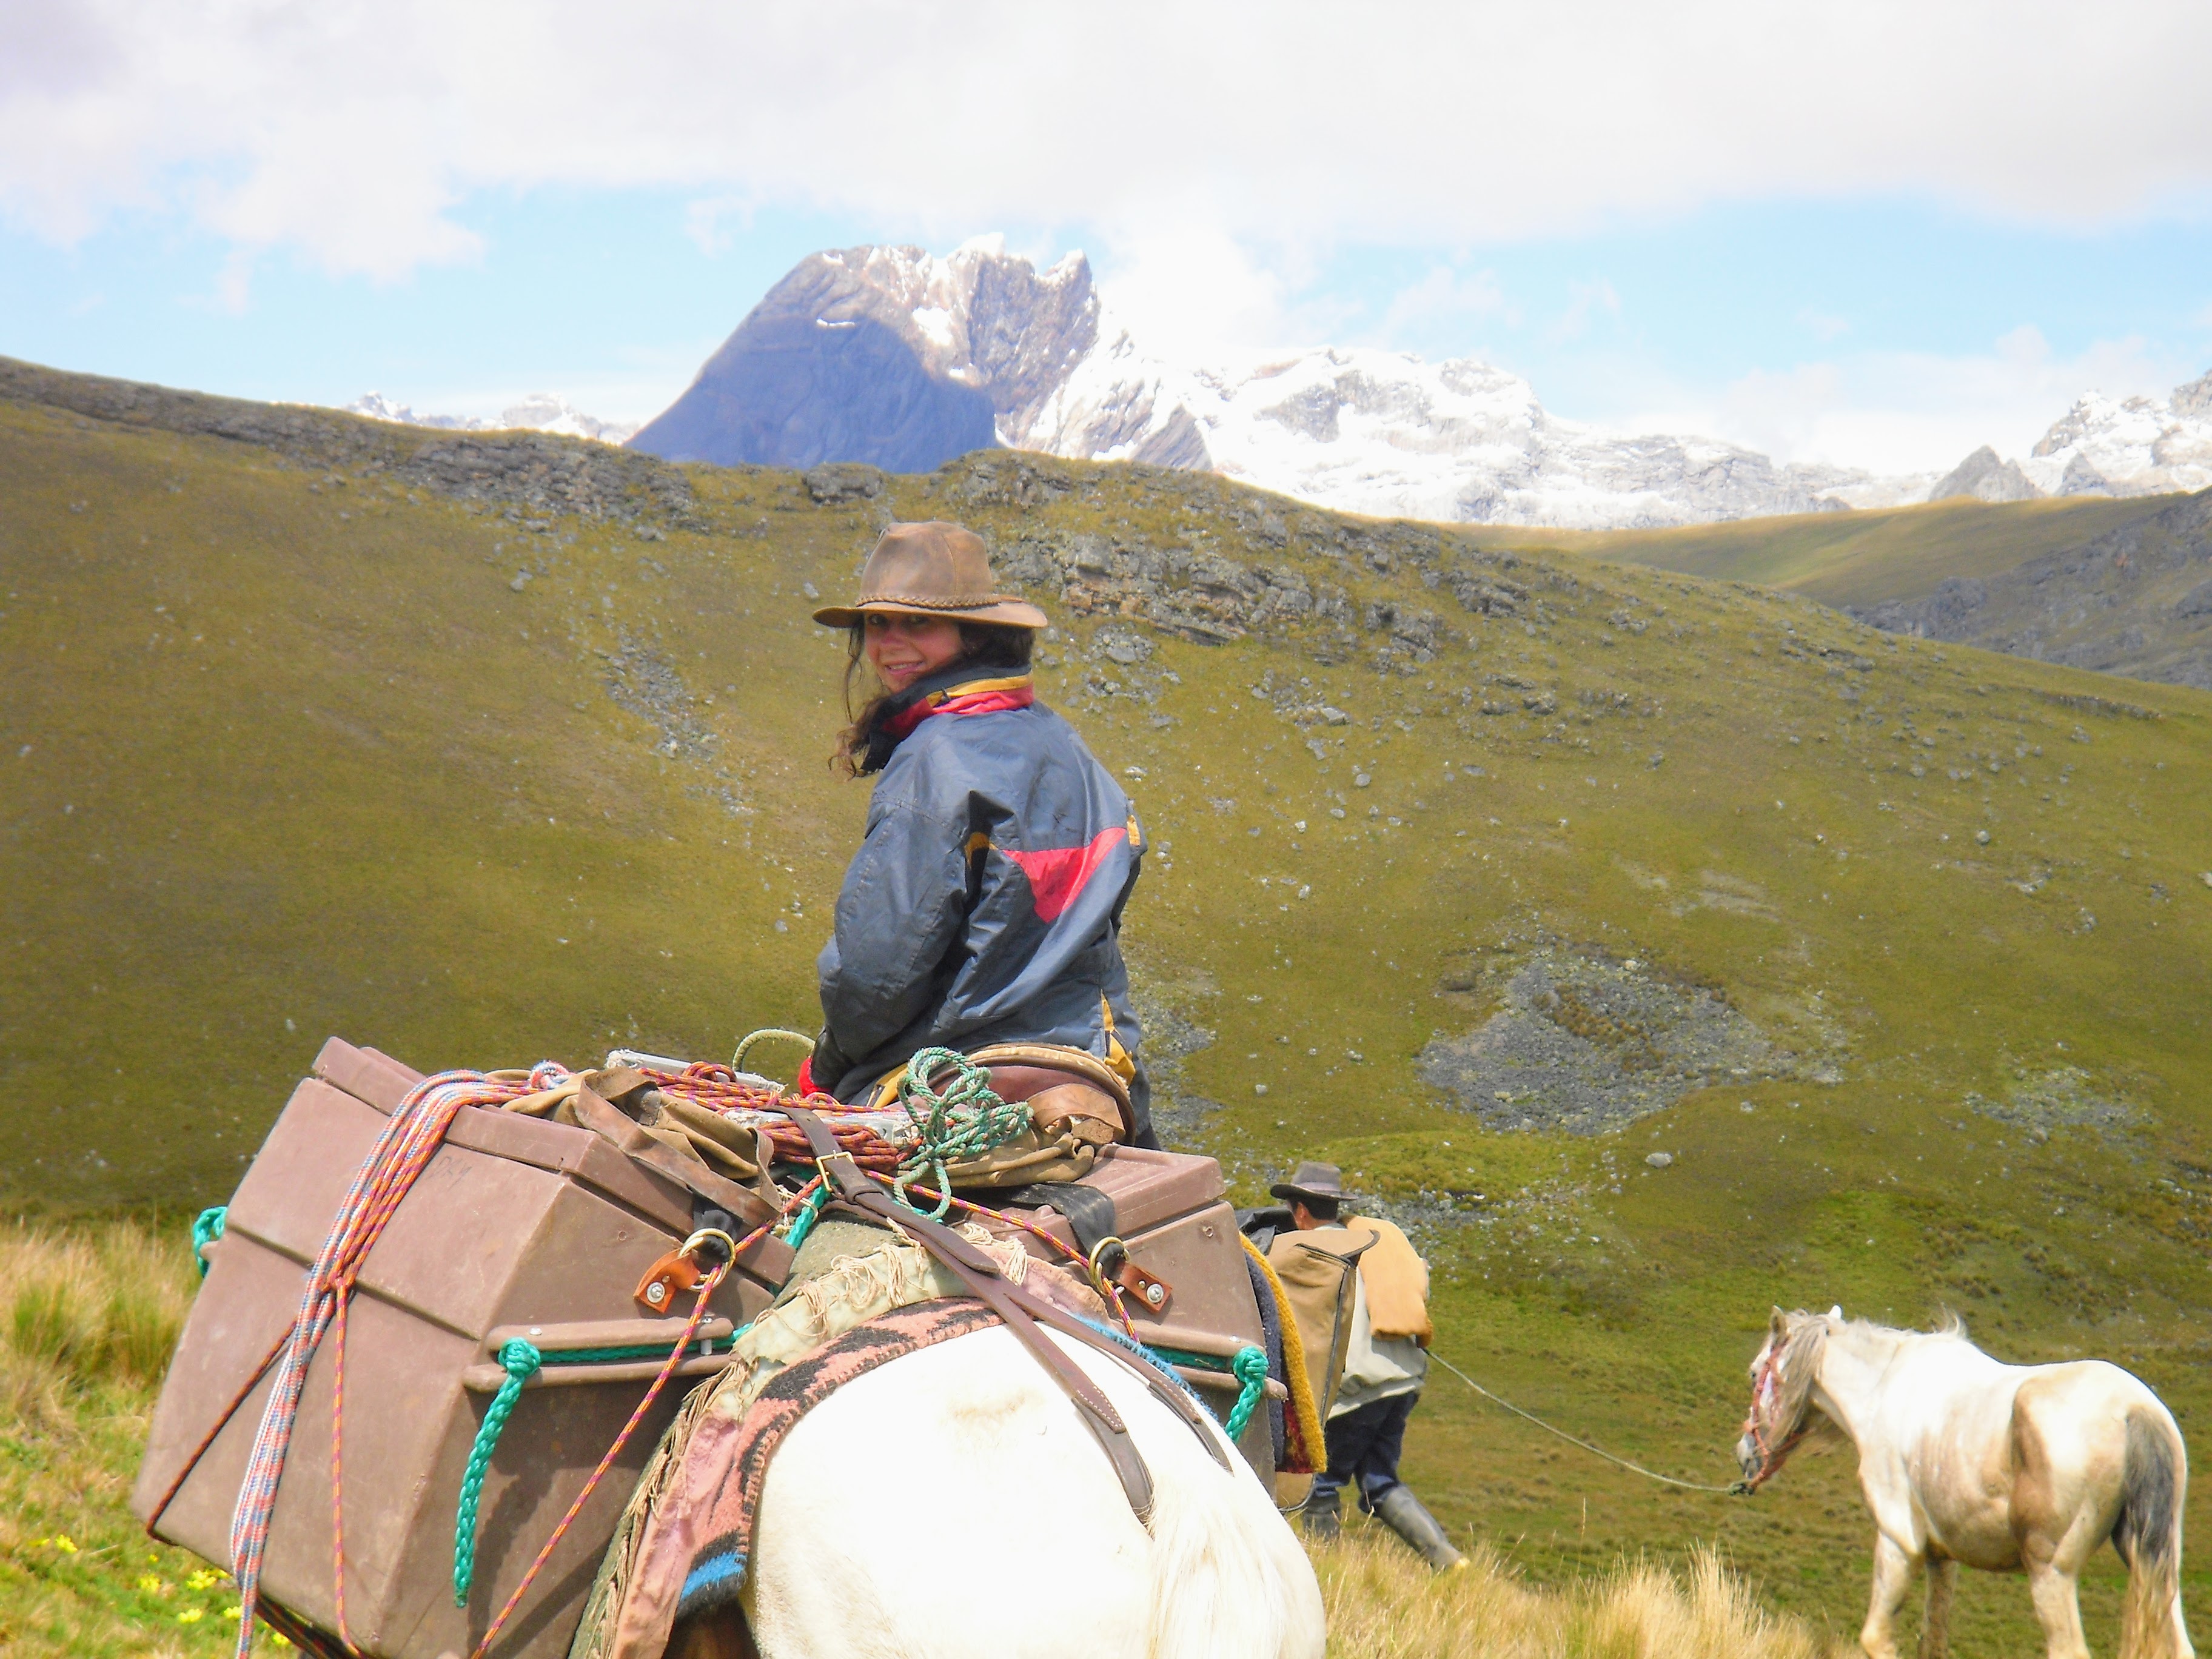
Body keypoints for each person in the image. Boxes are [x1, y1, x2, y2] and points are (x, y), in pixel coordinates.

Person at [797, 520, 1159, 1148]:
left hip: (960, 1074)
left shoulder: (934, 760)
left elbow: (876, 976)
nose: (889, 644)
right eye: (877, 624)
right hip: (1096, 1062)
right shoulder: (1061, 740)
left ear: (973, 633)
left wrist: (826, 1067)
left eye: (918, 623)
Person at [1267, 1161, 1464, 1569]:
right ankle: (1448, 1561)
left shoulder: (1304, 1254)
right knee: (1380, 1481)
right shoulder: (1371, 1243)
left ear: (1300, 1211)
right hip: (1401, 1382)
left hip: (1354, 1392)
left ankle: (1326, 1571)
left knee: (1319, 1484)